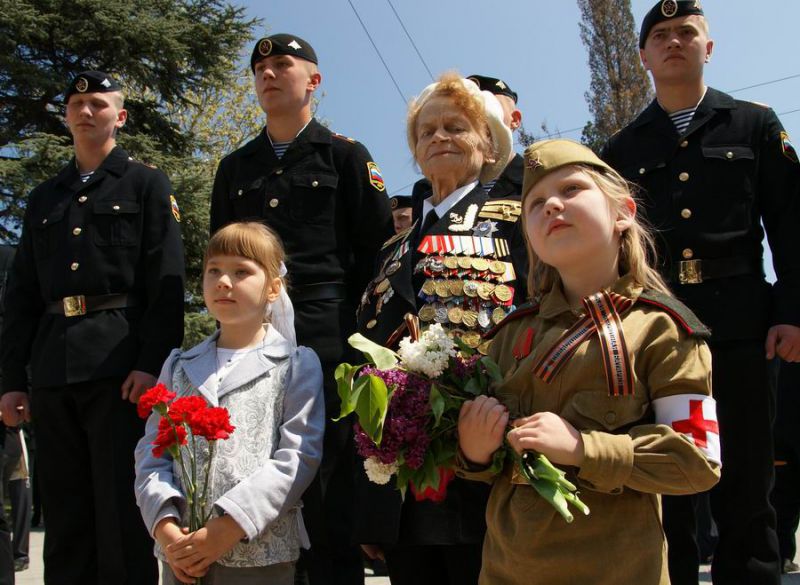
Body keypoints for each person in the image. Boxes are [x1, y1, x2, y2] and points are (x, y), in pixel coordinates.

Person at [457, 139, 721, 585]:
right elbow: (486, 466)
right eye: (535, 203)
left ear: (623, 213)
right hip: (506, 570)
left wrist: (583, 449)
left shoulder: (662, 329)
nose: (552, 205)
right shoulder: (506, 337)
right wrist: (473, 453)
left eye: (572, 189)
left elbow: (697, 460)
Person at [602, 2, 800, 583]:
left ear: (707, 48)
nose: (673, 42)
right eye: (659, 35)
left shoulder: (753, 124)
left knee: (747, 478)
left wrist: (792, 312)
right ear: (643, 56)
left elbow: (790, 225)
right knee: (671, 484)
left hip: (743, 324)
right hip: (661, 330)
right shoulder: (620, 150)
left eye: (686, 32)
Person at [210, 34, 393, 585]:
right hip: (252, 333)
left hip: (325, 327)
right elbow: (221, 257)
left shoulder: (345, 155)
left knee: (328, 475)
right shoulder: (235, 166)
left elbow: (377, 253)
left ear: (313, 80)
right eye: (260, 67)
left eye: (283, 65)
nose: (268, 73)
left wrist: (365, 345)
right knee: (250, 459)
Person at [0, 70, 185, 585]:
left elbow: (165, 281)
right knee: (65, 514)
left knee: (120, 510)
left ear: (119, 117)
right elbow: (20, 297)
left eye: (98, 103)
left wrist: (150, 364)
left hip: (119, 368)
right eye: (76, 102)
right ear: (65, 116)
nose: (86, 111)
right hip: (55, 367)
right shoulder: (45, 198)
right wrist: (13, 378)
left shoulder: (146, 184)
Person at [354, 72, 528, 585]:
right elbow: (370, 368)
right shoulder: (392, 250)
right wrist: (372, 501)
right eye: (426, 132)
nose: (439, 138)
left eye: (455, 126)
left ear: (486, 142)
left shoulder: (516, 221)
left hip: (484, 474)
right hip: (405, 489)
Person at [135, 221, 325, 585]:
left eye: (241, 271)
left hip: (260, 554)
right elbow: (151, 452)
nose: (224, 281)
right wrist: (165, 526)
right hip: (183, 556)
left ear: (273, 288)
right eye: (214, 271)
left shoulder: (296, 363)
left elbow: (298, 456)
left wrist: (228, 526)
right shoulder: (178, 365)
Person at [413, 74, 524, 202]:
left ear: (515, 120)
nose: (475, 113)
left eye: (490, 106)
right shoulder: (427, 191)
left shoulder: (534, 178)